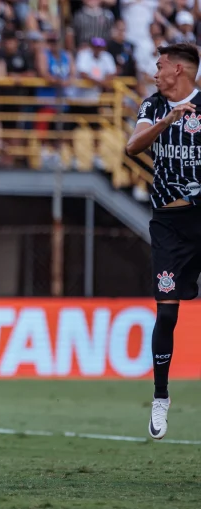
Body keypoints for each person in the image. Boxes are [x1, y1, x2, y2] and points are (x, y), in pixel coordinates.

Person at [125, 42, 201, 440]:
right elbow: (133, 146)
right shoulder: (154, 106)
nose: (154, 73)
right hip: (169, 224)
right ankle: (160, 396)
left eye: (159, 67)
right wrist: (168, 120)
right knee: (167, 313)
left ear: (178, 69)